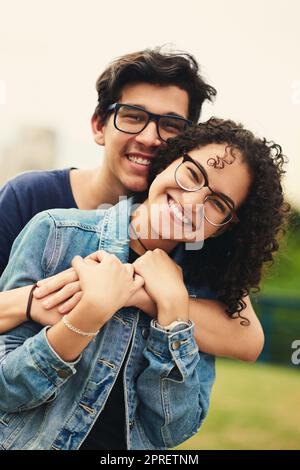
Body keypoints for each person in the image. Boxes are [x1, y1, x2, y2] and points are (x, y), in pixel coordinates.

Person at [0, 119, 289, 450]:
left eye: (218, 204)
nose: (193, 202)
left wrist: (174, 313)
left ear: (223, 228)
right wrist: (88, 315)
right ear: (168, 162)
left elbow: (170, 431)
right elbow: (5, 391)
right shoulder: (56, 233)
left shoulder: (202, 288)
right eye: (193, 174)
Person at [0, 47, 264, 361]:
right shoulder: (31, 196)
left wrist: (152, 296)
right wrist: (31, 300)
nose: (150, 137)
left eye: (170, 125)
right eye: (133, 117)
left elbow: (246, 337)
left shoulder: (186, 221)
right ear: (99, 126)